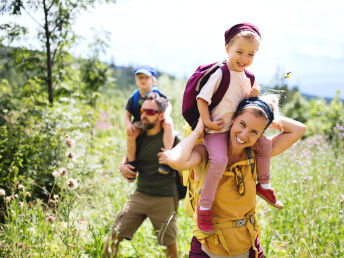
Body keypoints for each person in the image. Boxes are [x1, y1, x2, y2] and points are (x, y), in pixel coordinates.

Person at [158, 96, 306, 257]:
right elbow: (177, 162)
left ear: (260, 135)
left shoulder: (256, 155)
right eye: (242, 124)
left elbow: (299, 129)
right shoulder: (205, 152)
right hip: (208, 247)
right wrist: (199, 129)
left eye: (254, 132)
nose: (244, 135)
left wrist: (265, 114)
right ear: (232, 119)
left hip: (248, 246)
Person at [195, 23, 281, 234]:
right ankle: (204, 208)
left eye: (250, 54)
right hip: (216, 130)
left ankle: (264, 185)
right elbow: (202, 99)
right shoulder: (220, 73)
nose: (244, 58)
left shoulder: (247, 77)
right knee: (219, 160)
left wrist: (252, 96)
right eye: (239, 52)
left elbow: (244, 106)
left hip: (235, 128)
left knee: (264, 146)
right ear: (227, 48)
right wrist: (206, 122)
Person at [104, 93, 179, 258]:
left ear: (161, 116)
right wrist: (122, 166)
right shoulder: (138, 136)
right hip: (141, 194)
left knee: (170, 244)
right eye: (142, 110)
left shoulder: (172, 137)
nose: (144, 115)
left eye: (150, 112)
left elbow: (184, 162)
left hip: (165, 197)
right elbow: (129, 159)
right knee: (113, 236)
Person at [124, 65, 174, 174]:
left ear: (153, 80)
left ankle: (166, 156)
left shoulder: (158, 94)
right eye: (139, 77)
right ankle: (132, 162)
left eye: (146, 77)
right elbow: (127, 114)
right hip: (140, 123)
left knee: (169, 124)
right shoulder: (134, 97)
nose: (143, 80)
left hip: (156, 121)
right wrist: (128, 125)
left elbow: (168, 104)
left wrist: (165, 115)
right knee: (131, 134)